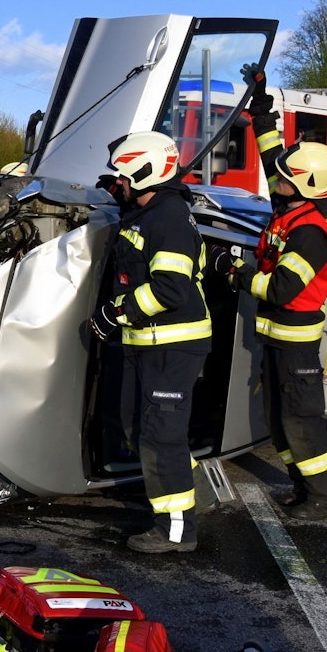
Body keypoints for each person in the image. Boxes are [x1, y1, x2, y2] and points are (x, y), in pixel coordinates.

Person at [207, 64, 327, 520]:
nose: (275, 179)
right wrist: (261, 101)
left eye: (285, 177)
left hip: (294, 340)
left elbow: (283, 289)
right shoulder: (293, 202)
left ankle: (326, 498)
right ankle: (303, 488)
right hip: (274, 337)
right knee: (280, 419)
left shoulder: (310, 232)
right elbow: (272, 153)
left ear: (305, 184)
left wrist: (236, 274)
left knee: (300, 420)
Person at [90, 131, 212, 554]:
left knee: (162, 437)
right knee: (136, 427)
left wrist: (115, 312)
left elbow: (170, 291)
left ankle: (176, 532)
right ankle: (194, 491)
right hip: (145, 343)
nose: (118, 184)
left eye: (123, 177)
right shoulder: (147, 211)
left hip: (172, 346)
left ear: (145, 175)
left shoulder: (169, 220)